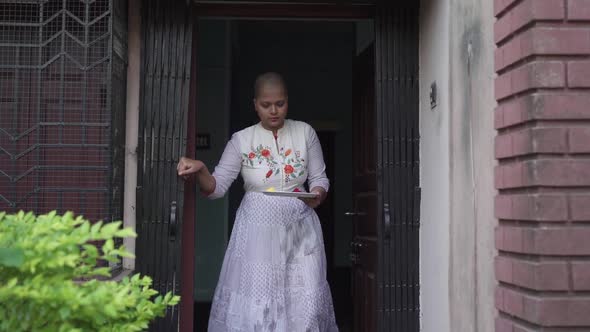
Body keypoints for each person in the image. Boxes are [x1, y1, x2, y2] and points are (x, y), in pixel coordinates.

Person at [177, 72, 338, 331]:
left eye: (280, 103)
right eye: (266, 105)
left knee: (305, 300)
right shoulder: (242, 139)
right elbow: (217, 188)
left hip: (299, 228)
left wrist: (317, 195)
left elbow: (320, 178)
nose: (274, 111)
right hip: (256, 231)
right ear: (255, 104)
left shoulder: (305, 132)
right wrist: (201, 170)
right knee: (259, 301)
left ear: (287, 101)